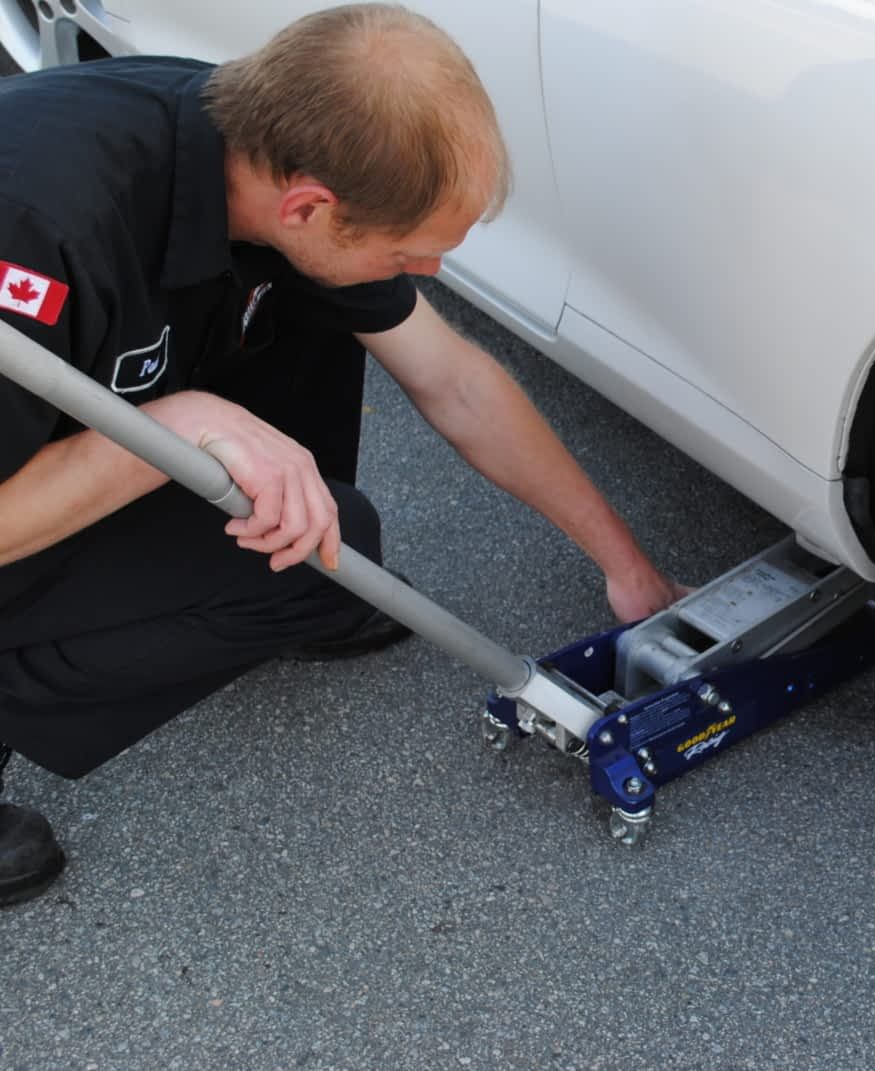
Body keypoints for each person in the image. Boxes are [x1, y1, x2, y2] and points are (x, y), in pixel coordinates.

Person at [0, 3, 687, 906]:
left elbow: (457, 383)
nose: (429, 272)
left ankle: (286, 572)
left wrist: (623, 565)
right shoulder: (46, 234)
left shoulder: (243, 151)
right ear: (311, 203)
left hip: (64, 430)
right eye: (412, 249)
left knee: (326, 334)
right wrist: (178, 426)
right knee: (318, 534)